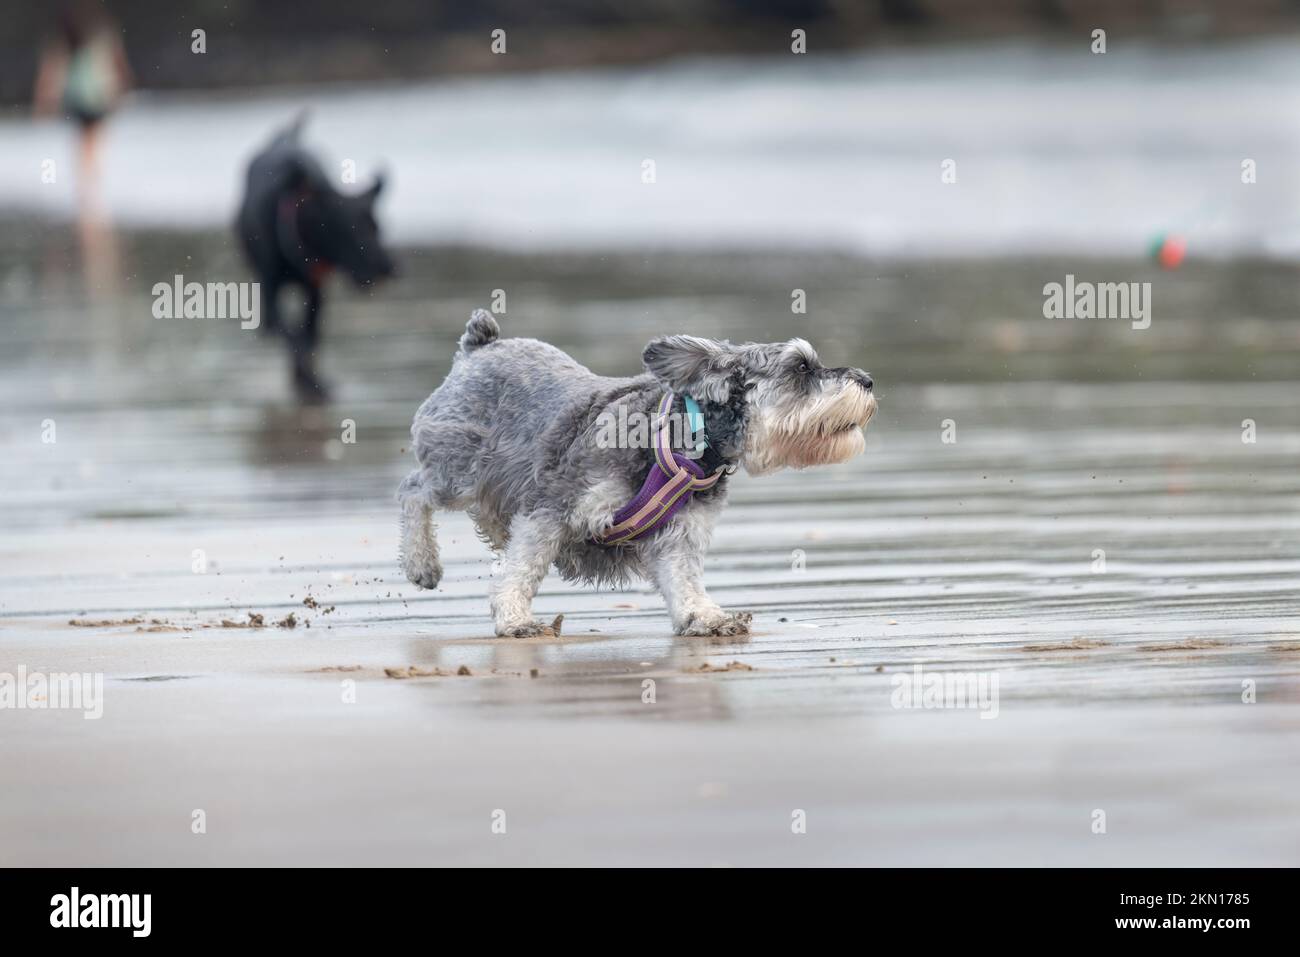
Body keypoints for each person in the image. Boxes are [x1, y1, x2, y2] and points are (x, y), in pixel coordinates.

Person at [33, 3, 133, 191]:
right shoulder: (102, 36)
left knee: (83, 141)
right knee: (94, 140)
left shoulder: (65, 39)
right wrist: (121, 87)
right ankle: (92, 181)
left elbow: (51, 71)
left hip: (77, 97)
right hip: (97, 97)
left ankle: (86, 181)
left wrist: (46, 99)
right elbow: (117, 62)